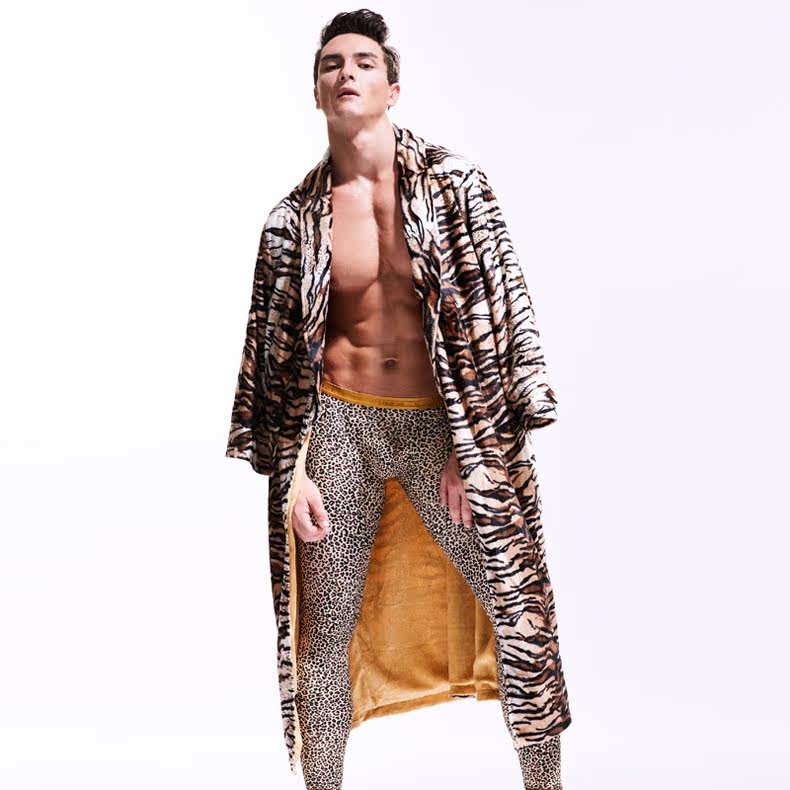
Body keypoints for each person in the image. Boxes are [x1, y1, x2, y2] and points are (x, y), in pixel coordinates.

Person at [226, 8, 571, 789]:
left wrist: (472, 448)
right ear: (316, 92)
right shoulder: (291, 223)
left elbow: (503, 315)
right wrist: (293, 473)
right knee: (323, 637)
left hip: (442, 431)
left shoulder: (456, 187)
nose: (346, 73)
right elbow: (273, 367)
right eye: (331, 65)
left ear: (393, 88)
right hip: (339, 432)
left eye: (364, 63)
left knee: (518, 619)